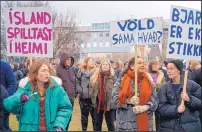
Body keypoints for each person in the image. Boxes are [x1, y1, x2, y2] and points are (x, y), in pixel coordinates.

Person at [3, 59, 73, 131]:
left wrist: (59, 126)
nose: (47, 73)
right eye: (43, 71)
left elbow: (65, 108)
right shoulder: (25, 89)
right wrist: (19, 99)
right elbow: (8, 106)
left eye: (48, 71)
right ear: (35, 73)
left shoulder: (57, 89)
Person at [112, 57, 158, 131]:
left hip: (145, 123)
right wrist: (129, 101)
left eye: (143, 63)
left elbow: (155, 100)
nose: (142, 65)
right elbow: (114, 100)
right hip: (126, 126)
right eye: (139, 63)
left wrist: (146, 107)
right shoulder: (122, 80)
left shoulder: (149, 80)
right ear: (132, 66)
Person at [157, 60, 201, 131]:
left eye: (171, 69)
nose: (168, 71)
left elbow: (200, 103)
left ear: (179, 70)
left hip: (190, 127)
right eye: (167, 69)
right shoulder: (164, 88)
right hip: (169, 127)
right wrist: (176, 109)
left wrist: (189, 99)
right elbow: (161, 108)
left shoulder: (192, 85)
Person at [90, 59, 116, 131]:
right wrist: (93, 99)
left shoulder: (113, 77)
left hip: (109, 104)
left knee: (110, 123)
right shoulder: (95, 76)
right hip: (98, 103)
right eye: (103, 64)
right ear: (101, 66)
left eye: (107, 64)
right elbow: (91, 88)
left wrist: (113, 102)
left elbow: (117, 90)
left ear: (109, 66)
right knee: (97, 123)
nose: (105, 66)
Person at [56, 52, 76, 131]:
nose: (69, 61)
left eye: (70, 60)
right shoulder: (58, 69)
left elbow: (74, 82)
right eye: (67, 59)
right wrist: (63, 94)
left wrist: (75, 92)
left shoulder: (71, 69)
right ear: (63, 60)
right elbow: (57, 84)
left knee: (69, 118)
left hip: (71, 99)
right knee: (62, 120)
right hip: (63, 99)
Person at [76, 57, 96, 131]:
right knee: (84, 117)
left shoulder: (96, 71)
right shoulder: (80, 71)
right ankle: (84, 130)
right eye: (90, 61)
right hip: (83, 98)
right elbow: (77, 81)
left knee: (95, 117)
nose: (92, 62)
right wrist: (80, 90)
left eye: (92, 61)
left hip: (93, 98)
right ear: (86, 62)